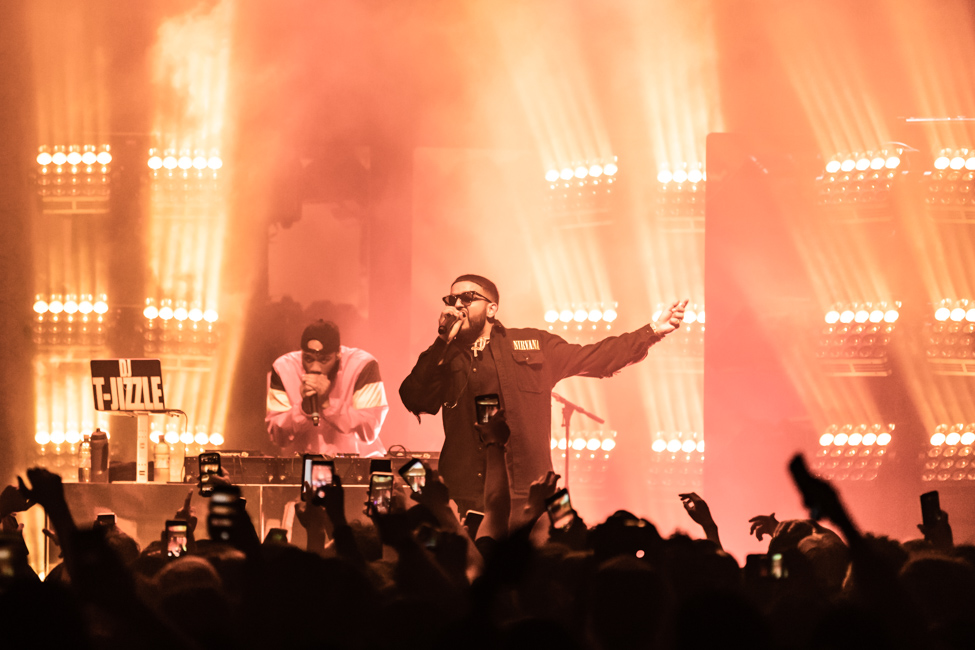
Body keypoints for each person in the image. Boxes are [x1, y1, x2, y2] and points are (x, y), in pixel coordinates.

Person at [399, 274, 686, 512]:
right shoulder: (444, 356)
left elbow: (596, 357)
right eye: (452, 299)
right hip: (465, 495)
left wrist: (652, 331)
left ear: (491, 308)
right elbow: (414, 397)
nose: (457, 305)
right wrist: (440, 343)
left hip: (526, 492)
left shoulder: (532, 344)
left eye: (467, 297)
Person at [266, 319, 387, 457]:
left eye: (324, 360)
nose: (315, 368)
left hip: (357, 465)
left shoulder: (362, 365)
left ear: (338, 355)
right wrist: (303, 409)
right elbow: (278, 437)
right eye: (308, 359)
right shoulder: (283, 368)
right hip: (299, 467)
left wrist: (327, 405)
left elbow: (369, 431)